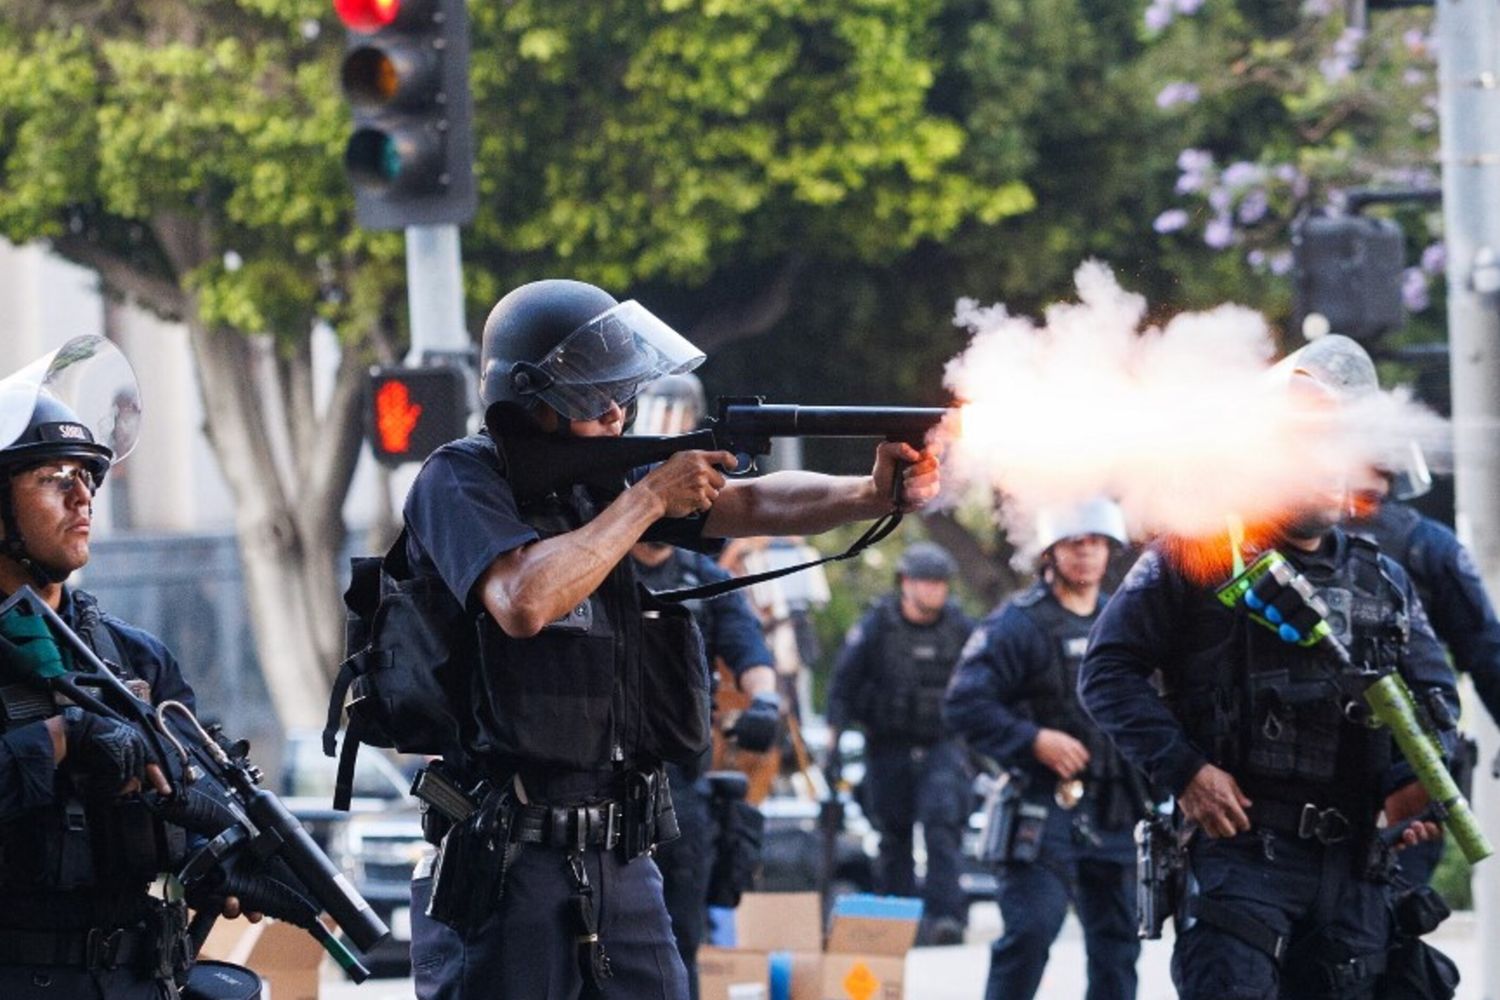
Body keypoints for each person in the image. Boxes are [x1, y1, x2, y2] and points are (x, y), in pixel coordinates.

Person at [403, 279, 941, 1000]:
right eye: (596, 398)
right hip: (506, 856)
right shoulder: (460, 478)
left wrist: (869, 495)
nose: (618, 412)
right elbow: (522, 599)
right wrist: (651, 497)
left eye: (617, 393)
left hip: (622, 854)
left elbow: (750, 502)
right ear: (530, 400)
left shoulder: (604, 481)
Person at [1078, 336, 1457, 1000]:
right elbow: (1107, 672)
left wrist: (1410, 791)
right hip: (1242, 855)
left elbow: (1434, 699)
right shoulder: (1197, 554)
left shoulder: (1383, 577)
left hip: (1354, 870)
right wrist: (1187, 772)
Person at [0, 337, 254, 998]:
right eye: (55, 478)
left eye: (88, 477)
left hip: (135, 977)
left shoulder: (132, 657)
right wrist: (62, 738)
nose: (82, 498)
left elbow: (205, 782)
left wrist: (228, 858)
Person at [944, 498, 1145, 1000]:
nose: (1087, 554)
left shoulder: (1123, 620)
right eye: (1075, 544)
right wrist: (1033, 740)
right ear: (1051, 553)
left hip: (1117, 805)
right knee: (1031, 934)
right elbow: (965, 704)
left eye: (1097, 543)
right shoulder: (1017, 624)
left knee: (1119, 947)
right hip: (1041, 805)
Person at [627, 374, 779, 1000]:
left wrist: (765, 700)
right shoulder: (594, 566)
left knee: (677, 941)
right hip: (598, 780)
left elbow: (748, 650)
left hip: (680, 788)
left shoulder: (702, 576)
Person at [1346, 450, 1500, 885]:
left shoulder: (1283, 539)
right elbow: (1487, 653)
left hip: (1391, 777)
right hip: (1409, 772)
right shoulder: (1426, 543)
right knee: (1386, 930)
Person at [826, 540, 974, 946]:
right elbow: (842, 687)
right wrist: (832, 746)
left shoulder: (961, 628)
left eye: (940, 583)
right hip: (886, 745)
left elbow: (987, 683)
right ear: (905, 583)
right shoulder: (876, 627)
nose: (934, 591)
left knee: (943, 825)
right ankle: (901, 921)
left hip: (941, 743)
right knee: (893, 834)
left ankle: (946, 918)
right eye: (926, 582)